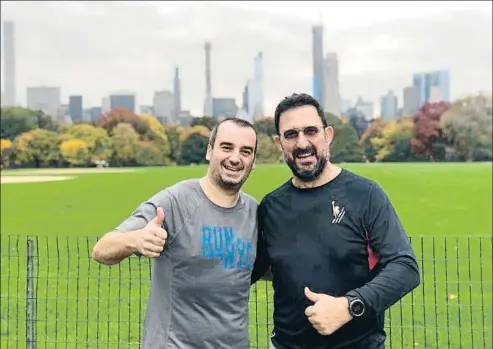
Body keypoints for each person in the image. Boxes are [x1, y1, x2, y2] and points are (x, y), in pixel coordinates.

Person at [251, 93, 421, 349]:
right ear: (279, 142)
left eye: (311, 131)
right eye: (291, 134)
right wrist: (176, 244)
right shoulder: (271, 206)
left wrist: (349, 306)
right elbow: (249, 267)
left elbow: (405, 267)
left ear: (327, 135)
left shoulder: (365, 194)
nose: (302, 143)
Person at [92, 117, 261, 349]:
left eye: (246, 151)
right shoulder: (175, 201)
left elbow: (272, 268)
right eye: (226, 147)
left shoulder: (254, 213)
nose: (235, 158)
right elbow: (102, 249)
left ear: (253, 160)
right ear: (209, 151)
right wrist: (136, 240)